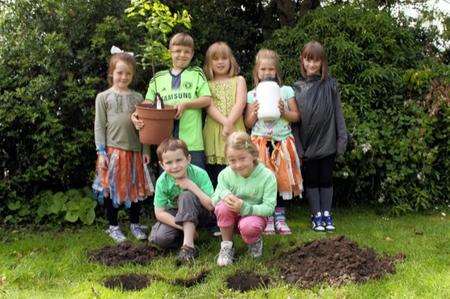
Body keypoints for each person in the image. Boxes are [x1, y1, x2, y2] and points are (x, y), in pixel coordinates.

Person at [92, 46, 154, 243]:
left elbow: (145, 128)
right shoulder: (103, 97)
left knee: (135, 189)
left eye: (128, 73)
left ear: (132, 75)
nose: (123, 77)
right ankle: (113, 226)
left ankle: (135, 224)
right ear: (112, 73)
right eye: (119, 72)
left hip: (135, 152)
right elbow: (99, 126)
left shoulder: (138, 98)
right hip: (113, 152)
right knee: (111, 189)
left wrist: (145, 149)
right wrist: (101, 152)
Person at [132, 32, 212, 169]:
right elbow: (148, 104)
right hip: (165, 143)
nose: (182, 55)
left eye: (187, 52)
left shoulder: (196, 74)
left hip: (192, 143)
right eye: (178, 51)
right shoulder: (158, 78)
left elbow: (206, 99)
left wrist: (186, 104)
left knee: (197, 183)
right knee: (170, 187)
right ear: (170, 52)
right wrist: (135, 114)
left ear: (192, 54)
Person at [245, 49, 302, 235]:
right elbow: (248, 123)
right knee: (264, 181)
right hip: (261, 143)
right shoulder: (252, 94)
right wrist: (253, 111)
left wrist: (284, 111)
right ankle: (267, 216)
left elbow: (296, 117)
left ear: (276, 72)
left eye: (271, 69)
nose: (267, 72)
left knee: (281, 180)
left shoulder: (285, 91)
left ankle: (280, 216)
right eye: (263, 69)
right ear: (257, 72)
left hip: (282, 142)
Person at [292, 41, 348, 232]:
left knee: (326, 179)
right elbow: (294, 122)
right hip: (307, 146)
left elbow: (338, 113)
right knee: (312, 181)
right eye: (308, 60)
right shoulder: (296, 88)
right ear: (303, 61)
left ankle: (326, 213)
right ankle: (316, 214)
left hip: (328, 143)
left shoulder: (330, 85)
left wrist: (342, 138)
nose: (312, 65)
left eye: (316, 61)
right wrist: (298, 148)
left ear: (322, 62)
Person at [212, 132, 276, 266]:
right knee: (222, 207)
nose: (238, 165)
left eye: (242, 158)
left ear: (253, 155)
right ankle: (227, 246)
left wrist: (246, 208)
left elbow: (269, 208)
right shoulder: (225, 175)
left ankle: (254, 241)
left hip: (254, 216)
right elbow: (214, 200)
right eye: (232, 160)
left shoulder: (267, 176)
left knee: (248, 227)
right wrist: (225, 195)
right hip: (231, 218)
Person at [149, 138, 215, 263]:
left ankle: (188, 247)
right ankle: (188, 233)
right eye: (169, 162)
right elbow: (159, 213)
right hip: (175, 213)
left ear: (188, 159)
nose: (175, 166)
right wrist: (183, 227)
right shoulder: (162, 181)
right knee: (159, 238)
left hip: (200, 212)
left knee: (186, 196)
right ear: (162, 165)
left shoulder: (200, 174)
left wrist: (191, 186)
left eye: (179, 160)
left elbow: (211, 206)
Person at [202, 41, 247, 187]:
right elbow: (209, 106)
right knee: (216, 173)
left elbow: (240, 103)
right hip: (214, 131)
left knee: (239, 167)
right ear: (209, 63)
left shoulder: (239, 80)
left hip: (236, 129)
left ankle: (240, 206)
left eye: (224, 58)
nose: (220, 62)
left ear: (230, 60)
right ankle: (219, 207)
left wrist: (230, 123)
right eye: (215, 59)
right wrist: (225, 123)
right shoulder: (206, 84)